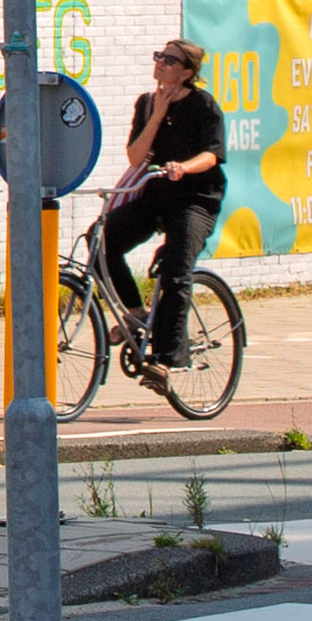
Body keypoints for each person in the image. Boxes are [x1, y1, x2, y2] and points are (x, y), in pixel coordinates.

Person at [102, 39, 227, 388]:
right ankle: (137, 315)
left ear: (187, 72)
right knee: (104, 239)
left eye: (169, 60)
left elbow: (212, 155)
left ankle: (166, 361)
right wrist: (156, 115)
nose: (160, 63)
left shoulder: (203, 105)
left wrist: (184, 168)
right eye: (159, 56)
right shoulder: (145, 104)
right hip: (157, 195)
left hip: (196, 198)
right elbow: (135, 156)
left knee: (175, 270)